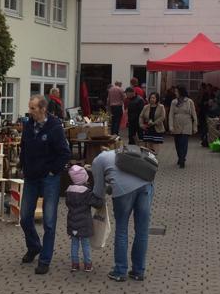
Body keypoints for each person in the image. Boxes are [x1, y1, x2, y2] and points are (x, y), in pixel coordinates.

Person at [18, 95, 70, 275]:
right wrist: (22, 166)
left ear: (43, 109)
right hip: (31, 177)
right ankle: (34, 246)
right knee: (25, 217)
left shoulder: (55, 127)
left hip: (49, 179)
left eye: (33, 108)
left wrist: (52, 171)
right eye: (29, 107)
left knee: (49, 221)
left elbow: (64, 153)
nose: (29, 111)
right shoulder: (28, 125)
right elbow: (23, 147)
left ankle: (45, 260)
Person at [91, 148, 154, 282]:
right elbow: (122, 176)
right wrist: (111, 188)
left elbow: (98, 190)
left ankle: (120, 271)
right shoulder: (119, 152)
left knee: (121, 229)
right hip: (146, 185)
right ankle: (138, 271)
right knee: (142, 231)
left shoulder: (97, 161)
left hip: (124, 191)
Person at [65, 164, 98, 273]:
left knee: (74, 243)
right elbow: (96, 203)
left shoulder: (68, 191)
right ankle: (88, 264)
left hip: (72, 222)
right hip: (84, 223)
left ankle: (75, 264)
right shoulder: (87, 192)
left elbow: (67, 204)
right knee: (85, 243)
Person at [168, 87, 197, 168]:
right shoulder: (174, 102)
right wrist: (171, 126)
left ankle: (182, 159)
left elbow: (194, 114)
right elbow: (170, 115)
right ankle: (180, 156)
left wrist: (195, 126)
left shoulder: (189, 101)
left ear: (181, 92)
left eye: (176, 91)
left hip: (187, 123)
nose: (175, 93)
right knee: (177, 143)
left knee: (184, 142)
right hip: (176, 123)